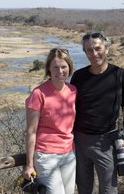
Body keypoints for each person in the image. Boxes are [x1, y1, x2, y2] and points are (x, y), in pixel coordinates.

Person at [70, 30, 124, 194]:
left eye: (98, 48)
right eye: (89, 50)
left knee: (109, 190)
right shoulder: (78, 77)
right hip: (79, 140)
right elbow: (69, 108)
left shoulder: (120, 75)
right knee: (84, 189)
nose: (94, 53)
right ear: (85, 52)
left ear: (106, 48)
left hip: (106, 142)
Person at [23, 48, 77, 194]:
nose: (60, 71)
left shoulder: (73, 91)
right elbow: (31, 131)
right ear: (49, 69)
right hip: (46, 156)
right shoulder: (38, 94)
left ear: (69, 67)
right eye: (56, 67)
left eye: (64, 67)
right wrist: (29, 165)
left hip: (69, 154)